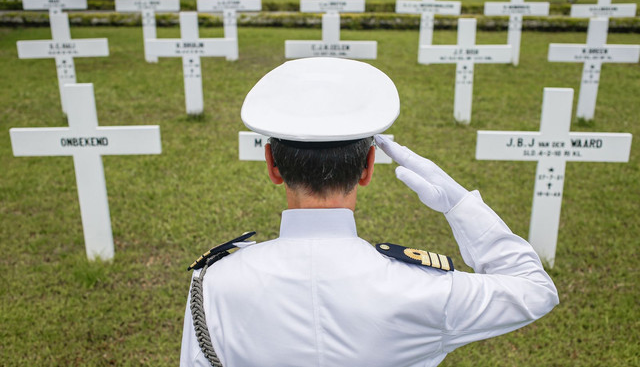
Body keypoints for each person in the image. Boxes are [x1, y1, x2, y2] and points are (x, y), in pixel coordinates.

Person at [180, 57, 559, 367]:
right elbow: (535, 289)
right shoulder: (423, 287)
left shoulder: (214, 282)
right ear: (368, 167)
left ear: (272, 165)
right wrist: (459, 204)